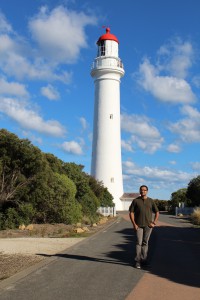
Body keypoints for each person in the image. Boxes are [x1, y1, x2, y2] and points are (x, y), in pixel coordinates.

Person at [129, 185, 159, 269]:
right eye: (141, 190)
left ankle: (144, 259)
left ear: (147, 191)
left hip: (148, 226)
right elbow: (131, 212)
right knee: (139, 243)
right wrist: (134, 224)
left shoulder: (151, 201)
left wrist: (154, 222)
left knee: (145, 243)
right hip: (138, 226)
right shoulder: (135, 201)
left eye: (144, 190)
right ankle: (137, 261)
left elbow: (157, 212)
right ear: (139, 191)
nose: (143, 191)